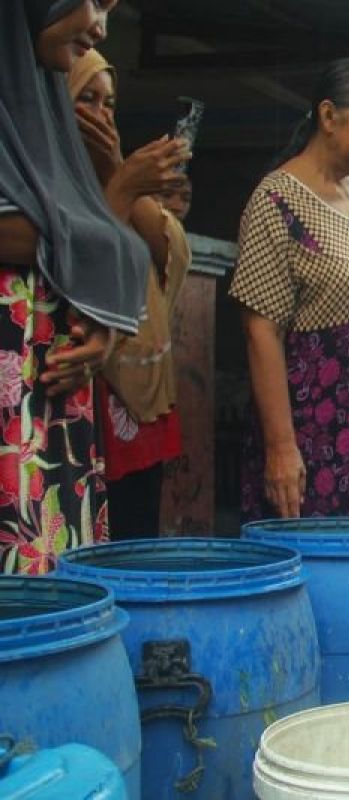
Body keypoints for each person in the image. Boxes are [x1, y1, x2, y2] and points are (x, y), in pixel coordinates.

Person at [0, 0, 153, 573]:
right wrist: (106, 244)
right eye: (93, 2)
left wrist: (100, 318)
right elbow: (25, 227)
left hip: (44, 416)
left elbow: (62, 228)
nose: (100, 27)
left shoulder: (36, 103)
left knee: (50, 603)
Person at [230, 58, 349, 521]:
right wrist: (281, 449)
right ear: (329, 116)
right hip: (310, 435)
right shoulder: (275, 202)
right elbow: (260, 333)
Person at [69, 48, 192, 540]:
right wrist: (118, 187)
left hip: (136, 410)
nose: (100, 116)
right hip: (78, 396)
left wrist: (118, 169)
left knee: (133, 541)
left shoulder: (119, 179)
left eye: (109, 104)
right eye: (86, 99)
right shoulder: (44, 179)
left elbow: (171, 253)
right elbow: (79, 269)